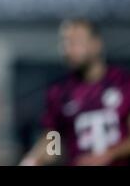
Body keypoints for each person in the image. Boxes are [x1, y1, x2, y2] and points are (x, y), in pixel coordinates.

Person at [20, 19, 130, 166]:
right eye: (65, 42)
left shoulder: (123, 82)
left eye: (76, 42)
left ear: (96, 44)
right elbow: (53, 142)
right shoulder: (59, 92)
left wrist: (110, 155)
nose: (69, 49)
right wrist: (32, 161)